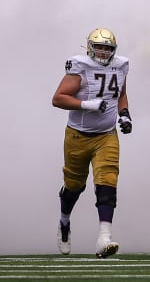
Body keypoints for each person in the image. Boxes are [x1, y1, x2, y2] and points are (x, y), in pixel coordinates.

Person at [52, 28, 131, 258]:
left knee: (108, 179)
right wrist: (88, 104)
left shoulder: (122, 65)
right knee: (74, 185)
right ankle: (64, 221)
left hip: (106, 134)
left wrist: (125, 114)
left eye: (108, 48)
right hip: (78, 135)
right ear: (90, 47)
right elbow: (58, 98)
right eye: (99, 47)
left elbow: (121, 94)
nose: (103, 52)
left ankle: (104, 237)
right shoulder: (80, 66)